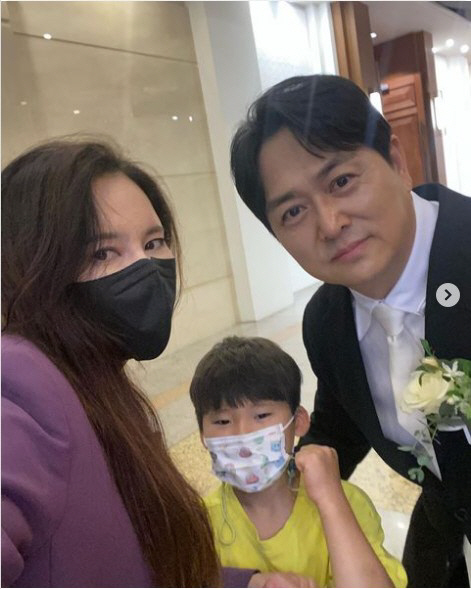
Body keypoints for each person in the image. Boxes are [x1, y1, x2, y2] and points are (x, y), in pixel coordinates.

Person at [1, 138, 305, 589]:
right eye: (102, 253)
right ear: (32, 265)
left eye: (153, 242)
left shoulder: (100, 386)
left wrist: (244, 583)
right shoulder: (18, 383)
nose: (145, 267)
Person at [230, 74, 471, 587]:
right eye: (294, 211)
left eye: (341, 181)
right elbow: (339, 430)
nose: (330, 223)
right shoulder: (329, 321)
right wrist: (263, 474)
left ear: (396, 160)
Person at [190, 335, 407, 587]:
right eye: (222, 421)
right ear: (203, 436)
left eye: (261, 415)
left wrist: (330, 500)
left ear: (299, 422)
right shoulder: (199, 523)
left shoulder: (345, 503)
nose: (243, 433)